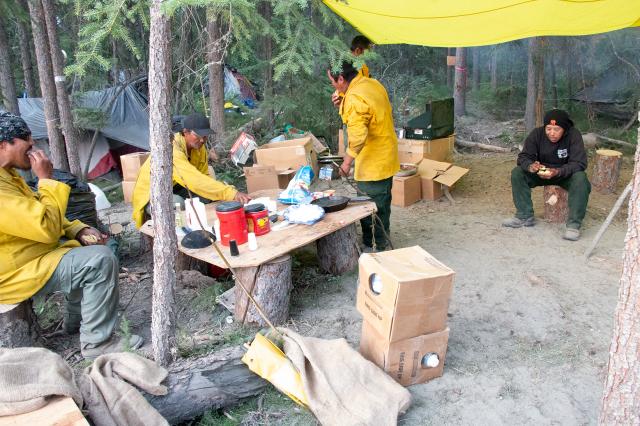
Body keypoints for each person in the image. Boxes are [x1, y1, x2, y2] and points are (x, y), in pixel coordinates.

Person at [0, 112, 142, 359]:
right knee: (98, 260)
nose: (33, 146)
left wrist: (78, 228)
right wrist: (45, 179)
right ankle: (98, 343)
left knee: (80, 251)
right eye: (26, 140)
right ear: (4, 145)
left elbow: (39, 210)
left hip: (28, 257)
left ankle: (75, 324)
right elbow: (44, 228)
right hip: (13, 272)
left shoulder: (9, 176)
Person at [132, 113, 250, 228]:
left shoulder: (199, 147)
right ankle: (178, 234)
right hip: (153, 194)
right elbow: (193, 180)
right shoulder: (171, 149)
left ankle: (207, 225)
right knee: (177, 203)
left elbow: (203, 176)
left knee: (208, 196)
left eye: (205, 136)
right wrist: (230, 193)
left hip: (177, 186)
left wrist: (220, 192)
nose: (203, 140)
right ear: (185, 132)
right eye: (198, 135)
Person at [328, 61, 399, 251]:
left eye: (333, 82)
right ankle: (381, 238)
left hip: (373, 163)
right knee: (383, 202)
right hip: (387, 155)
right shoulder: (370, 83)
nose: (333, 87)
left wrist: (346, 163)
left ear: (341, 79)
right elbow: (364, 111)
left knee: (371, 206)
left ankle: (374, 245)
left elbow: (358, 136)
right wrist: (342, 99)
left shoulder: (355, 98)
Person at [502, 109, 591, 241]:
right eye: (548, 129)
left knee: (581, 178)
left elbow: (579, 163)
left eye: (556, 129)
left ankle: (573, 225)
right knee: (518, 172)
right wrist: (531, 166)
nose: (552, 133)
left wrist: (559, 171)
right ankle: (524, 215)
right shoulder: (537, 134)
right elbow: (523, 157)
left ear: (565, 129)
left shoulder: (573, 135)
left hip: (564, 174)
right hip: (541, 173)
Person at [331, 35, 373, 108]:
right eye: (367, 52)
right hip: (355, 108)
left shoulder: (362, 66)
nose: (369, 56)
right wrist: (339, 96)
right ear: (358, 51)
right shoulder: (344, 64)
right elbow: (341, 86)